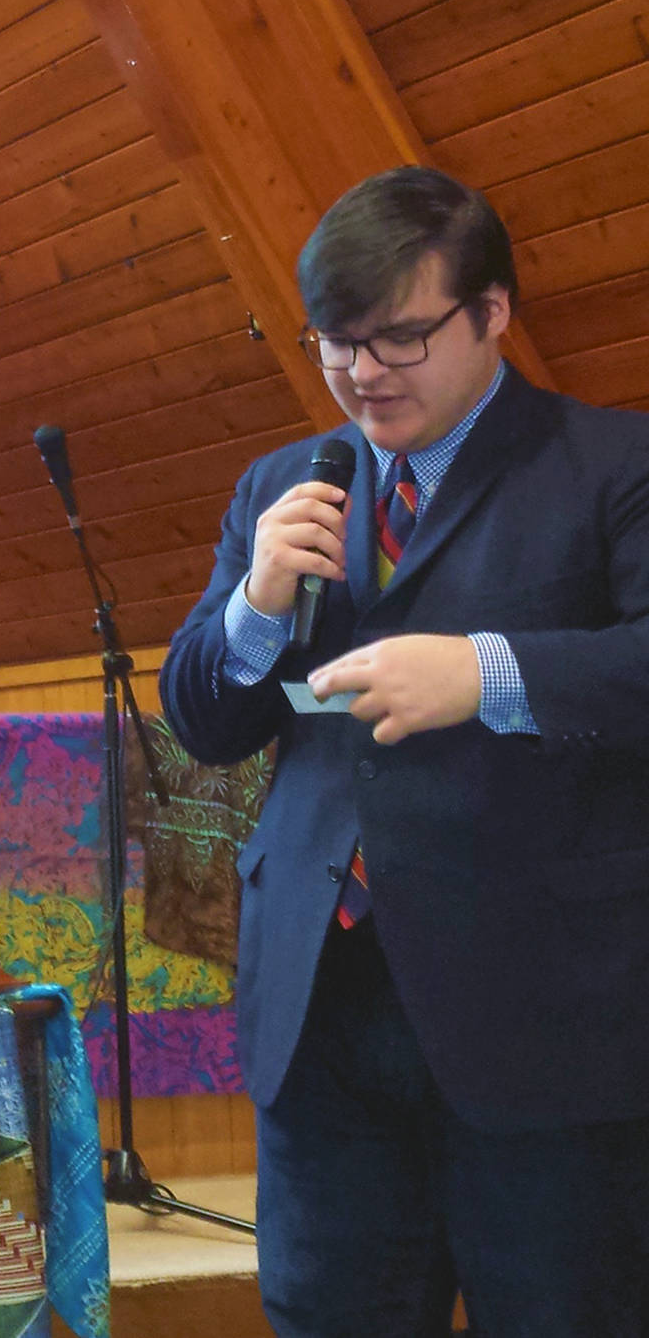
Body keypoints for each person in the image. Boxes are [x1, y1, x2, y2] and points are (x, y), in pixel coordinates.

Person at [162, 164, 649, 1336]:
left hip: (538, 1017)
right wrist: (254, 608)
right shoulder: (281, 484)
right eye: (334, 341)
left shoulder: (608, 467)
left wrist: (485, 674)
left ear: (489, 315)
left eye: (397, 338)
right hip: (320, 1011)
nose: (360, 373)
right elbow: (201, 720)